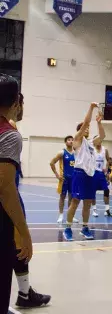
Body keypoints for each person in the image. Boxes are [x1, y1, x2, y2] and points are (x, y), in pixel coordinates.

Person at [10, 97, 51, 309]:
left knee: (16, 248)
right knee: (19, 246)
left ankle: (25, 293)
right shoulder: (9, 130)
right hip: (8, 197)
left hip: (11, 194)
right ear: (16, 104)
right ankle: (25, 294)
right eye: (22, 103)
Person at [0, 74, 32, 313]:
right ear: (14, 103)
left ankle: (26, 292)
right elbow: (5, 187)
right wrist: (23, 231)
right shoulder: (9, 135)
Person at [63, 103, 105, 241]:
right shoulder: (77, 139)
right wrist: (91, 108)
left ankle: (85, 227)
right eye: (85, 127)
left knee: (87, 203)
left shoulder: (91, 143)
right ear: (80, 130)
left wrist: (99, 123)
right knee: (75, 202)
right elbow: (86, 121)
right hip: (79, 174)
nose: (87, 128)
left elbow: (103, 135)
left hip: (90, 175)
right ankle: (68, 228)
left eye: (88, 128)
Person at [50, 136, 79, 224]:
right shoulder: (62, 153)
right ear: (65, 142)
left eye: (72, 140)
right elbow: (52, 163)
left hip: (74, 179)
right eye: (69, 140)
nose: (71, 141)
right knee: (62, 197)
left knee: (72, 198)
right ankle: (61, 215)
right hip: (64, 179)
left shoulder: (77, 153)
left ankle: (71, 216)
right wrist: (57, 175)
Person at [92, 142, 112, 218]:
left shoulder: (105, 149)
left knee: (106, 190)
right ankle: (94, 210)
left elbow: (108, 159)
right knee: (93, 191)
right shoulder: (92, 149)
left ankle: (107, 210)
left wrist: (106, 167)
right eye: (97, 140)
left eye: (100, 140)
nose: (98, 141)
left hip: (101, 173)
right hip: (93, 173)